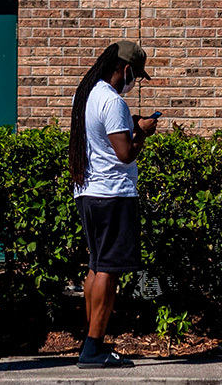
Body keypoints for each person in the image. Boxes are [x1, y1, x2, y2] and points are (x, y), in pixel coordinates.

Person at [68, 40, 157, 369]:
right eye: (136, 75)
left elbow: (102, 139)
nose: (135, 82)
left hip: (88, 192)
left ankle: (93, 340)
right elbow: (125, 153)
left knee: (96, 265)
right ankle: (92, 348)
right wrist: (143, 132)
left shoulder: (85, 94)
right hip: (113, 193)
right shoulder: (112, 100)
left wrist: (129, 126)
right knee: (108, 269)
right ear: (126, 69)